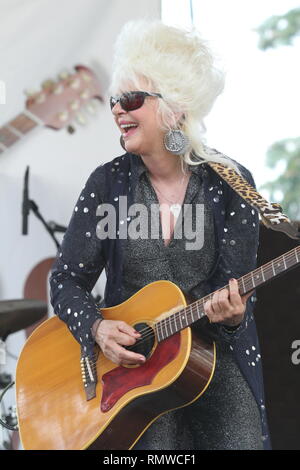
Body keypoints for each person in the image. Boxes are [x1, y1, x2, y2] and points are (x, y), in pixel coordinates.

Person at [50, 20, 271, 450]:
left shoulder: (231, 181)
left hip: (212, 364)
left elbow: (238, 292)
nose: (117, 110)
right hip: (132, 373)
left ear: (175, 106)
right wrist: (96, 329)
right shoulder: (107, 183)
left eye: (131, 99)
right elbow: (65, 280)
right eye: (115, 100)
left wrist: (235, 316)